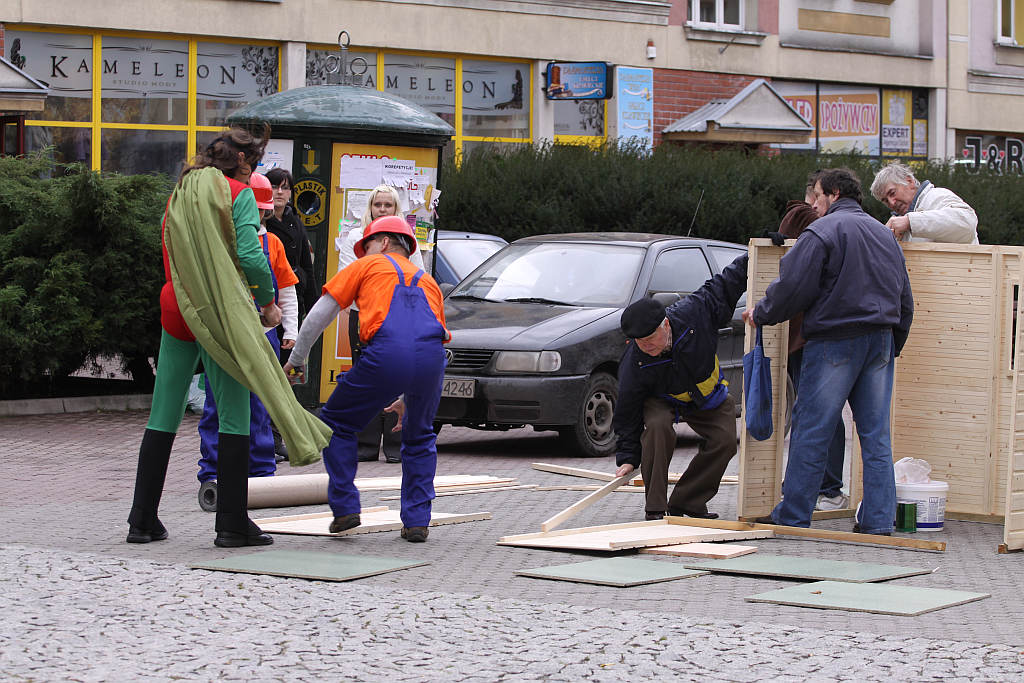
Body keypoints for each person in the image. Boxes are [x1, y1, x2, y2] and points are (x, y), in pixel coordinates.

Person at [126, 125, 330, 549]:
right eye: (253, 163)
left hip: (176, 307)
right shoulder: (235, 196)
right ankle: (232, 523)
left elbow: (168, 248)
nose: (252, 171)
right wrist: (269, 301)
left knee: (162, 414)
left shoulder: (179, 194)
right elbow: (252, 257)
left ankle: (142, 520)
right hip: (219, 311)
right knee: (235, 416)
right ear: (239, 161)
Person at [745, 168, 914, 535]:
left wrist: (761, 312)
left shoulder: (822, 232)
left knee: (812, 428)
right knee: (875, 436)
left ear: (833, 194)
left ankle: (793, 517)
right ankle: (878, 522)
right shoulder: (884, 235)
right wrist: (891, 347)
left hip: (835, 341)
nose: (813, 204)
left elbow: (793, 286)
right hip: (880, 340)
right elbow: (905, 299)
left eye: (816, 196)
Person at [284, 215, 449, 543]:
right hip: (432, 360)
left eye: (367, 246)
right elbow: (430, 340)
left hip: (387, 352)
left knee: (334, 423)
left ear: (384, 242)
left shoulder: (368, 265)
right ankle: (417, 521)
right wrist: (408, 396)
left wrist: (297, 359)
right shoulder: (427, 280)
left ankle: (345, 507)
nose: (364, 253)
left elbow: (321, 313)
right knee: (418, 437)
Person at [612, 251, 749, 521]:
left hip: (706, 395)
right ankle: (655, 511)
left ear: (665, 325)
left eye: (650, 340)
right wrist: (627, 456)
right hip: (661, 399)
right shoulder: (635, 359)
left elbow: (728, 280)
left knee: (725, 442)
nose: (646, 347)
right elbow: (627, 408)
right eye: (639, 343)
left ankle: (687, 502)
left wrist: (759, 250)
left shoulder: (696, 311)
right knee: (657, 429)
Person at [196, 172, 299, 498]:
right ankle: (213, 473)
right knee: (218, 404)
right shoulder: (219, 242)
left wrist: (291, 331)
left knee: (258, 406)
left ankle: (259, 473)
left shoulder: (272, 244)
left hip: (263, 335)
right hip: (225, 336)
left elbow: (287, 292)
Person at [338, 185, 426, 464]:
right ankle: (365, 444)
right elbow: (348, 275)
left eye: (388, 205)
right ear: (370, 208)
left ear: (396, 209)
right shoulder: (355, 237)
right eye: (378, 205)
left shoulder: (406, 237)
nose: (383, 209)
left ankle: (395, 444)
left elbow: (419, 275)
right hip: (363, 314)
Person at [778, 171, 849, 512]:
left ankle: (821, 486)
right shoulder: (806, 218)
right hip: (808, 336)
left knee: (816, 412)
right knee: (821, 413)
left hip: (804, 336)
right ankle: (823, 487)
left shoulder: (804, 220)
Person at [870, 162, 979, 244]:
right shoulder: (899, 226)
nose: (891, 203)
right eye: (885, 200)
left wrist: (910, 222)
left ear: (909, 181)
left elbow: (967, 222)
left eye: (892, 193)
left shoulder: (937, 196)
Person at [265, 167, 317, 317]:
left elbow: (307, 264)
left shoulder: (295, 220)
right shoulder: (259, 221)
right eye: (274, 187)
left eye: (285, 188)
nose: (280, 192)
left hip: (294, 295)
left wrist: (311, 307)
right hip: (269, 294)